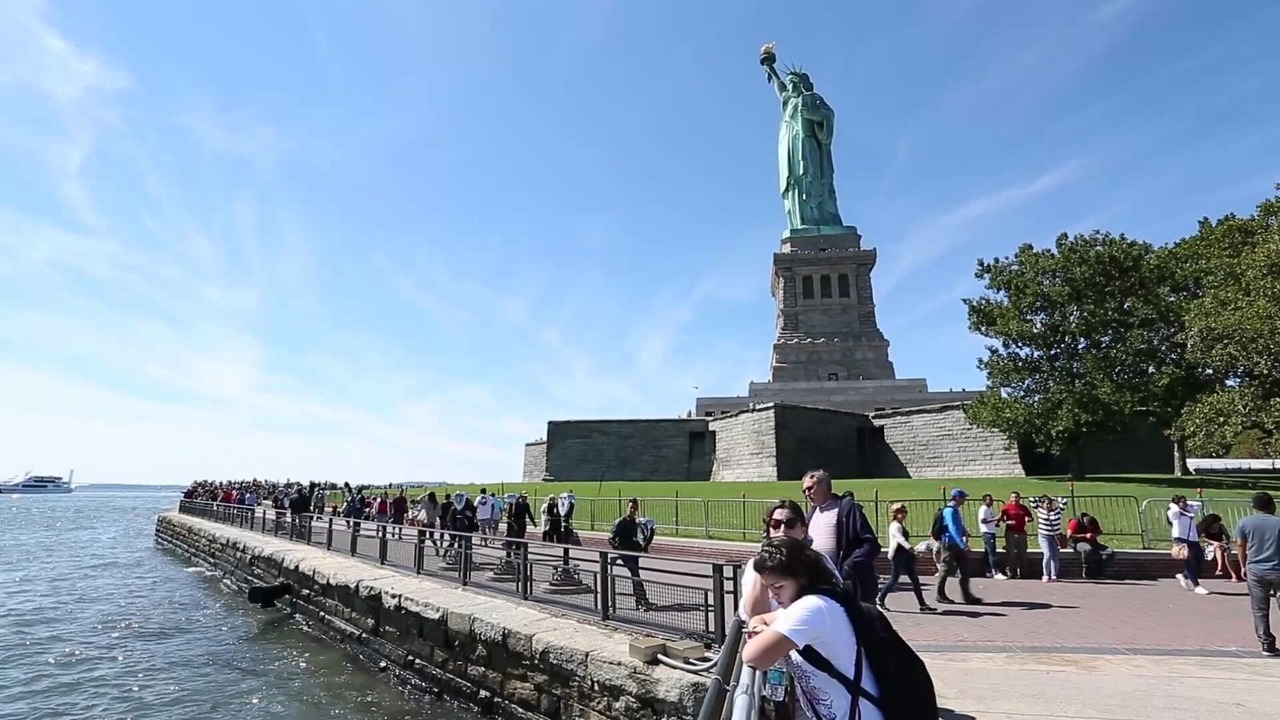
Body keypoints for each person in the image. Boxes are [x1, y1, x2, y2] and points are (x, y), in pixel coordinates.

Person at [742, 537, 888, 720]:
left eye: (778, 586)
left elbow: (754, 657)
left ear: (801, 578)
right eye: (768, 587)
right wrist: (765, 631)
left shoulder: (812, 608)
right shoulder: (815, 603)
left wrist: (766, 634)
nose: (772, 595)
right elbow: (759, 617)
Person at [801, 469, 881, 602]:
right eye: (804, 491)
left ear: (824, 485)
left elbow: (871, 545)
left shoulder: (848, 509)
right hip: (821, 585)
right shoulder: (811, 515)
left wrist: (848, 566)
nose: (807, 494)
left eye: (810, 488)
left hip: (848, 585)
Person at [1237, 492, 1280, 657]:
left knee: (1259, 609)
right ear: (1272, 505)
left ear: (1254, 507)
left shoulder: (1244, 522)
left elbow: (1241, 545)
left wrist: (1243, 566)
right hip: (1278, 568)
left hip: (1255, 569)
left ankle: (1267, 644)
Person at [877, 503, 936, 613]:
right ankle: (880, 600)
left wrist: (911, 552)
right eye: (901, 512)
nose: (904, 515)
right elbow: (900, 539)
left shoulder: (900, 525)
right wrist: (911, 549)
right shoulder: (895, 526)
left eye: (905, 512)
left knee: (915, 580)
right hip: (898, 555)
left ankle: (922, 605)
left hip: (905, 556)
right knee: (894, 580)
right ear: (895, 514)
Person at [936, 488, 983, 605]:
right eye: (963, 498)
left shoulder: (955, 510)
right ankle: (940, 594)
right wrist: (963, 545)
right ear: (957, 498)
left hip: (956, 544)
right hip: (949, 544)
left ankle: (967, 595)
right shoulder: (949, 511)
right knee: (945, 569)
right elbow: (953, 528)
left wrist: (964, 531)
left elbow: (957, 526)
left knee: (965, 569)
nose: (964, 500)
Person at [608, 498, 654, 611]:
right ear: (627, 508)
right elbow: (611, 539)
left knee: (635, 576)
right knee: (636, 575)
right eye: (630, 508)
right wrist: (620, 550)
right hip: (625, 553)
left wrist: (641, 546)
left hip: (633, 553)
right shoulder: (621, 522)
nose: (632, 510)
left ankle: (640, 602)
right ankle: (643, 601)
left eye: (634, 508)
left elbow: (636, 537)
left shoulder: (635, 523)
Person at [1168, 495, 1210, 595]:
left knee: (1200, 560)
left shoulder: (1189, 511)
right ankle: (1197, 586)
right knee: (1190, 562)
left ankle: (1184, 575)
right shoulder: (1174, 513)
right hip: (1181, 538)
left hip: (1193, 538)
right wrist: (1173, 504)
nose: (1184, 503)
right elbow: (1174, 511)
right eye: (1181, 502)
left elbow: (1199, 504)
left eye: (1185, 501)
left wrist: (1187, 504)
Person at [1066, 512, 1114, 579]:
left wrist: (1094, 535)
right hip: (1077, 542)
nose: (1090, 528)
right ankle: (1087, 570)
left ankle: (1098, 571)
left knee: (1109, 552)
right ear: (1084, 523)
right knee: (1087, 549)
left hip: (1092, 542)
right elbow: (1069, 536)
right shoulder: (1075, 522)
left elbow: (1099, 531)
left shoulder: (1093, 521)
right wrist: (1085, 536)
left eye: (1091, 527)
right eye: (1088, 527)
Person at [999, 492, 1034, 579]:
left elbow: (1030, 517)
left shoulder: (1023, 508)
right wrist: (1007, 522)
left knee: (1023, 553)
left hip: (1021, 532)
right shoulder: (1006, 507)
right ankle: (1011, 572)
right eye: (1013, 497)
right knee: (1011, 554)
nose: (1015, 499)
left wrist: (1028, 519)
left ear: (1020, 498)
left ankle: (1024, 573)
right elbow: (1001, 518)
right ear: (1010, 498)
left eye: (1017, 497)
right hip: (1011, 532)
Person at [1199, 513, 1242, 582]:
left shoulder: (1221, 527)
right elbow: (1204, 539)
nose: (1218, 524)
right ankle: (1220, 567)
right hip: (1210, 546)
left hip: (1222, 544)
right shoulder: (1205, 529)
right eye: (1216, 523)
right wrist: (1215, 543)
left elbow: (1227, 537)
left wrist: (1224, 542)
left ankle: (1233, 575)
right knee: (1218, 548)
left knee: (1226, 554)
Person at [1031, 495, 1064, 583]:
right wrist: (1041, 498)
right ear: (1042, 504)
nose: (1048, 506)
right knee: (1048, 554)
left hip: (1055, 537)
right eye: (1046, 504)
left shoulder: (1058, 511)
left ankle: (1054, 575)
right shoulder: (1039, 510)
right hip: (1044, 536)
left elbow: (1064, 501)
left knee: (1055, 557)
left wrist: (1054, 498)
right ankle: (1045, 574)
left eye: (1049, 504)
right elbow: (1031, 499)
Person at [977, 494, 1007, 579]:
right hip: (987, 533)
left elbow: (989, 520)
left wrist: (996, 522)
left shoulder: (989, 509)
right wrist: (996, 518)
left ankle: (988, 570)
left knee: (987, 552)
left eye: (991, 499)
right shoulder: (983, 509)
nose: (991, 501)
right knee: (992, 553)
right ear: (984, 501)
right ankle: (995, 571)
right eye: (989, 500)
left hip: (990, 531)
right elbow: (983, 520)